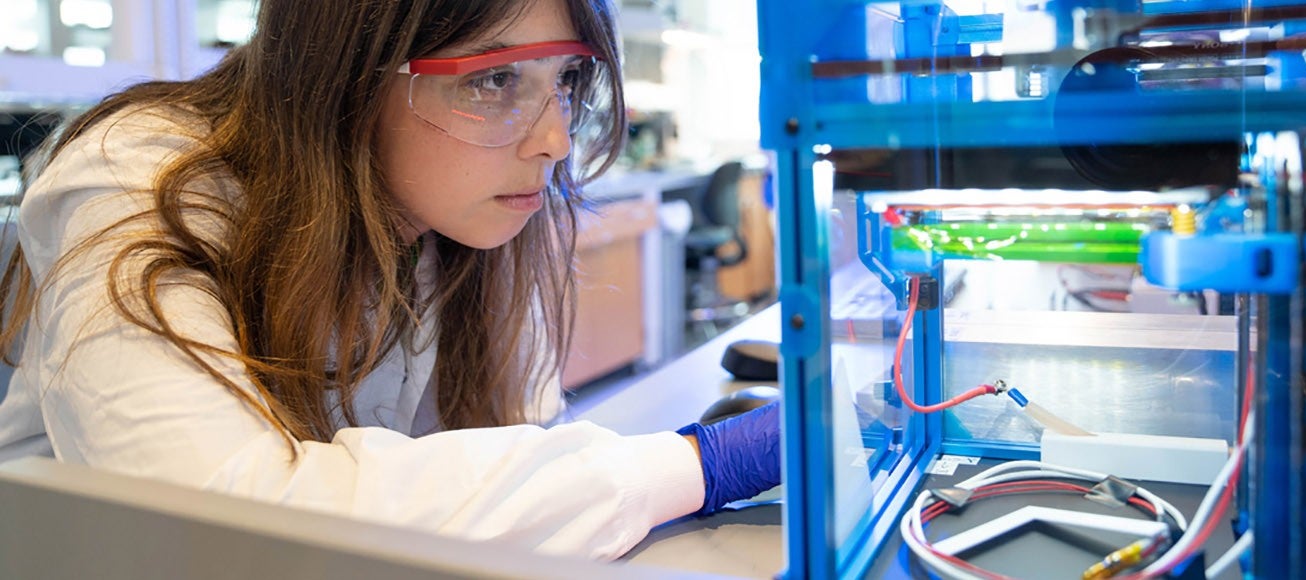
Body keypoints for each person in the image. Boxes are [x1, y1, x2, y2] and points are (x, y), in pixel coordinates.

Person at [0, 0, 779, 560]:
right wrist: (696, 466)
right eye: (494, 79)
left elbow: (505, 456)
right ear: (347, 72)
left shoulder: (449, 209)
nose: (554, 139)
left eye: (567, 80)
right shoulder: (138, 182)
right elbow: (223, 523)